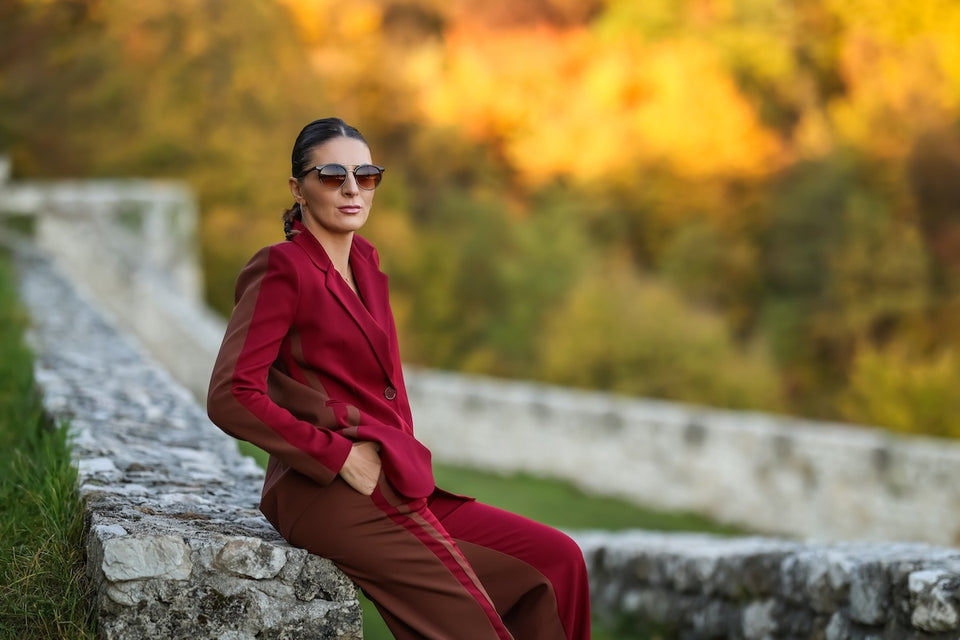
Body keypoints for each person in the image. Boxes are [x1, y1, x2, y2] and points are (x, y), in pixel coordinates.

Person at [207, 117, 591, 639]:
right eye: (331, 175)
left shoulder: (365, 263)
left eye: (365, 175)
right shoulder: (282, 268)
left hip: (396, 477)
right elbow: (232, 394)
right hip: (329, 490)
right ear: (297, 188)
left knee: (557, 562)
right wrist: (337, 455)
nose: (351, 188)